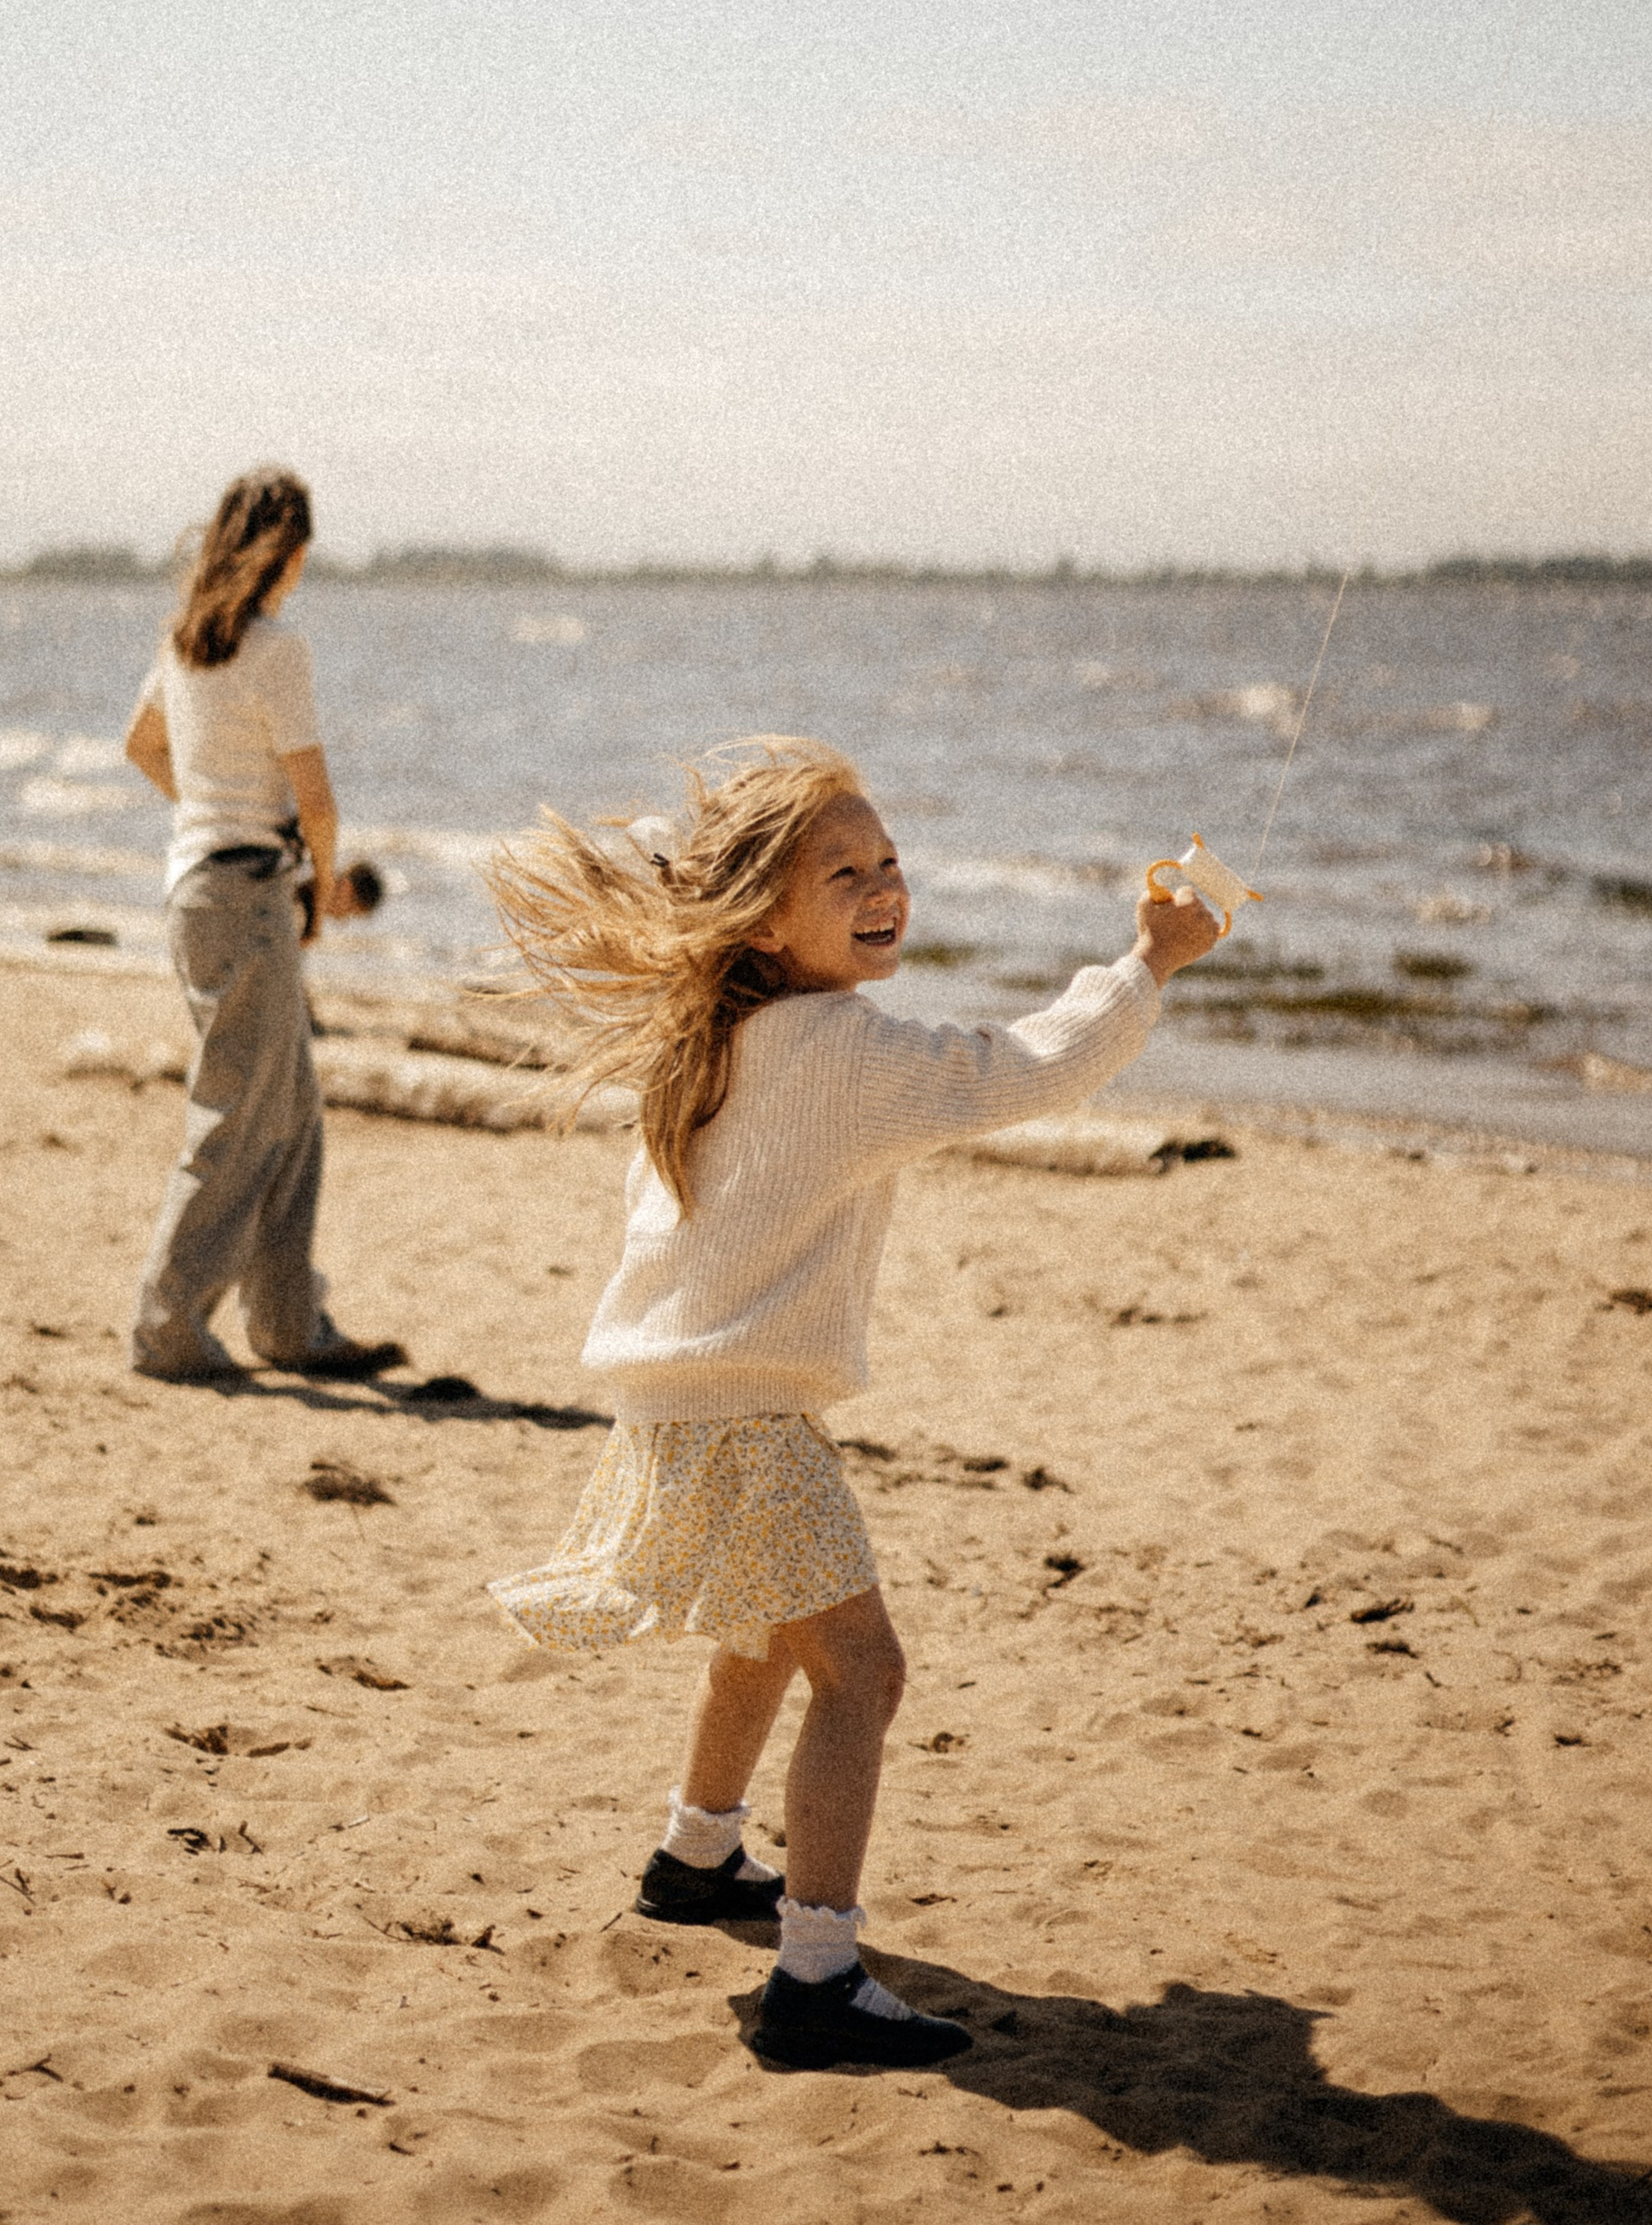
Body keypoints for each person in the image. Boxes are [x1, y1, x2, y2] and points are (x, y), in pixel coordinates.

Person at [483, 737, 1221, 2070]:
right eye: (846, 874)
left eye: (890, 864)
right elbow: (1023, 1071)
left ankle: (697, 1857)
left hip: (682, 1397)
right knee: (863, 1671)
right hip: (739, 1408)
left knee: (765, 1635)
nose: (886, 887)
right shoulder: (834, 1047)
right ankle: (815, 1978)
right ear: (764, 916)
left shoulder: (720, 1033)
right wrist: (1150, 964)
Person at [122, 466, 404, 1385]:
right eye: (301, 559)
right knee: (239, 1116)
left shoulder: (186, 643)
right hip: (245, 896)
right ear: (285, 554)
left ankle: (287, 1323)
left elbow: (141, 747)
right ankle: (167, 1327)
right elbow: (317, 801)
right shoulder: (276, 650)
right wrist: (320, 886)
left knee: (292, 1110)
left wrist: (208, 806)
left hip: (201, 888)